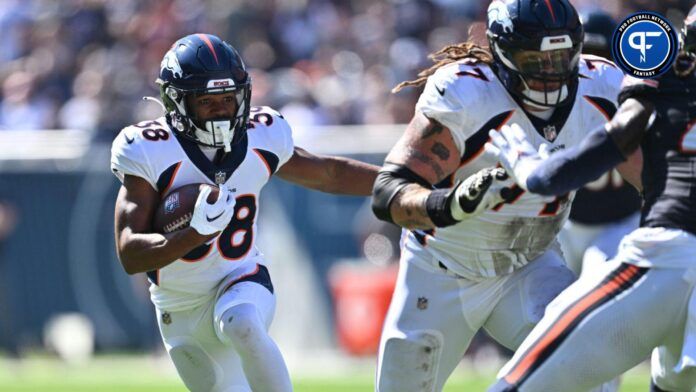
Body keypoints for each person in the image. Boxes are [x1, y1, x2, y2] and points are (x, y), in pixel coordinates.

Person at [370, 0, 630, 390]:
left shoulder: (604, 87)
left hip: (530, 264)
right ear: (503, 54)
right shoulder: (467, 92)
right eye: (534, 59)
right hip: (441, 267)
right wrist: (449, 205)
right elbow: (388, 192)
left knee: (592, 368)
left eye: (561, 58)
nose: (550, 74)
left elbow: (653, 175)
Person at [111, 33, 378, 392]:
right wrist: (191, 236)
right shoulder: (148, 149)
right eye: (208, 102)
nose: (222, 110)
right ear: (177, 103)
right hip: (179, 306)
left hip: (241, 276)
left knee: (242, 322)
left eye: (229, 98)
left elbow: (328, 172)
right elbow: (130, 254)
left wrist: (400, 181)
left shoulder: (262, 134)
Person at [486, 6, 696, 391]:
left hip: (669, 253)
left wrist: (535, 171)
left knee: (517, 385)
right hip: (651, 244)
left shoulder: (666, 69)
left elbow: (618, 137)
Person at [558, 9, 642, 276]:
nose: (592, 64)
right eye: (584, 53)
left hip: (619, 224)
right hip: (563, 225)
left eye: (600, 54)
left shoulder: (634, 99)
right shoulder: (551, 99)